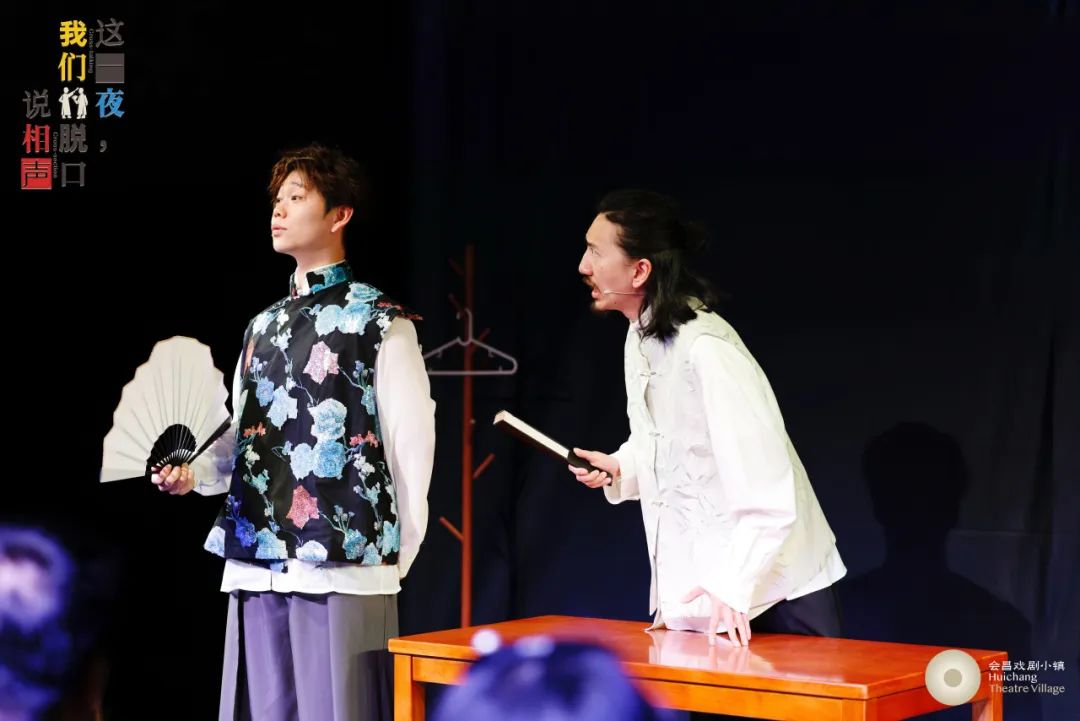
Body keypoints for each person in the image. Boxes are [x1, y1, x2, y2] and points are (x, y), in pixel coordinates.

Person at [153, 143, 436, 721]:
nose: (278, 210)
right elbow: (242, 436)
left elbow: (412, 444)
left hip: (346, 557)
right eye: (277, 199)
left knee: (342, 708)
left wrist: (394, 555)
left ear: (340, 214)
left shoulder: (379, 321)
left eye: (297, 197)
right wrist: (194, 475)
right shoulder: (261, 327)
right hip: (257, 553)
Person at [569, 189, 846, 647]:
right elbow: (668, 441)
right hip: (709, 594)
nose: (584, 266)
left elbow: (769, 491)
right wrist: (623, 466)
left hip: (776, 595)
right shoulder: (640, 338)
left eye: (596, 252)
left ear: (640, 271)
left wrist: (733, 584)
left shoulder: (707, 350)